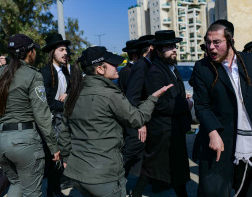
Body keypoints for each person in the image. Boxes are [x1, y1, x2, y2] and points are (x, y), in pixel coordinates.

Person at [57, 46, 172, 197]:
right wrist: (153, 98)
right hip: (104, 176)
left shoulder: (73, 94)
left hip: (78, 174)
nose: (118, 66)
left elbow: (64, 131)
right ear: (100, 69)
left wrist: (66, 157)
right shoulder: (109, 95)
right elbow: (137, 119)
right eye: (112, 63)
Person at [192, 20, 252, 197]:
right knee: (215, 190)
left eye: (216, 42)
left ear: (230, 41)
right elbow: (202, 105)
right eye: (208, 42)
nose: (211, 47)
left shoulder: (251, 61)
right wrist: (213, 132)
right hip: (220, 141)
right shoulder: (202, 67)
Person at [132, 30, 193, 197]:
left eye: (174, 46)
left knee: (173, 167)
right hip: (162, 130)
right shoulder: (156, 72)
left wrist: (182, 99)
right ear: (158, 51)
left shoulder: (172, 68)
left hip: (174, 128)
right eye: (168, 47)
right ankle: (136, 193)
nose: (173, 49)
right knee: (153, 167)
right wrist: (186, 104)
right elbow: (159, 105)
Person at [0, 34, 60, 196]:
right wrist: (53, 146)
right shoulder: (32, 75)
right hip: (24, 142)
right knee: (32, 192)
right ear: (30, 52)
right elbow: (42, 115)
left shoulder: (2, 73)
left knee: (16, 184)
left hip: (2, 140)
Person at [41, 33, 71, 197]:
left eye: (66, 49)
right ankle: (53, 191)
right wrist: (65, 104)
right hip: (50, 123)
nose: (65, 53)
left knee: (62, 158)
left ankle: (56, 189)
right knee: (53, 160)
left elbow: (71, 91)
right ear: (52, 52)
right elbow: (46, 101)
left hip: (63, 121)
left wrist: (68, 96)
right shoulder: (45, 72)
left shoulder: (66, 71)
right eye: (61, 50)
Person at [123, 35, 155, 178]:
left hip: (140, 119)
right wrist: (139, 122)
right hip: (135, 121)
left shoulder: (147, 65)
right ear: (150, 48)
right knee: (129, 156)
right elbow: (132, 98)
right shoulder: (140, 66)